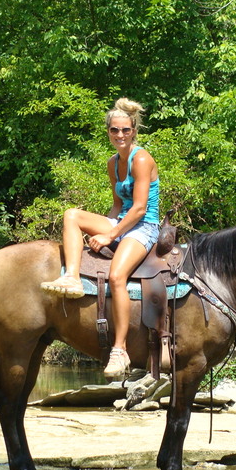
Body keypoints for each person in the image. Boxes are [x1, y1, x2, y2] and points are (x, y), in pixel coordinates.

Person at [41, 98, 160, 379]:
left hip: (144, 226)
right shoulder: (112, 162)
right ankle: (71, 276)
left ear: (134, 131)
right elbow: (118, 206)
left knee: (118, 277)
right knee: (72, 215)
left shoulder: (141, 159)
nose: (120, 135)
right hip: (122, 221)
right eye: (114, 130)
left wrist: (110, 235)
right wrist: (105, 226)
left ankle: (120, 349)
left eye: (126, 130)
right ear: (108, 132)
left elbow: (140, 208)